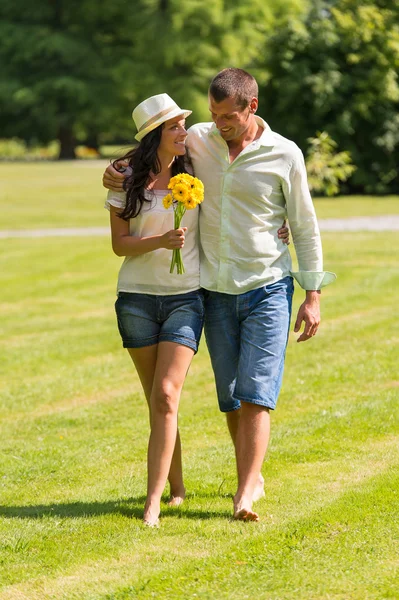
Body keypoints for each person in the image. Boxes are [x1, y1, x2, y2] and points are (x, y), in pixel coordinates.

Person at [103, 69, 332, 522]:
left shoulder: (285, 154)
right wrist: (112, 169)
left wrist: (313, 293)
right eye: (213, 113)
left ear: (252, 107)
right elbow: (149, 151)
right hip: (214, 291)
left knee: (255, 393)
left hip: (267, 285)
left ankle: (244, 494)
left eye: (228, 116)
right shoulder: (199, 141)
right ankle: (251, 475)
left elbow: (304, 225)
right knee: (229, 397)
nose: (218, 123)